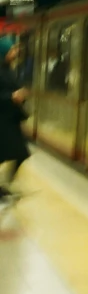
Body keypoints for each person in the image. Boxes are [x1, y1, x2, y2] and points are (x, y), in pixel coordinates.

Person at [0, 37, 30, 202]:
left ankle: (4, 185)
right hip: (2, 119)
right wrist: (11, 97)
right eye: (11, 50)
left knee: (20, 153)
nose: (15, 52)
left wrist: (20, 95)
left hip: (9, 119)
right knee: (13, 153)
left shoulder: (8, 69)